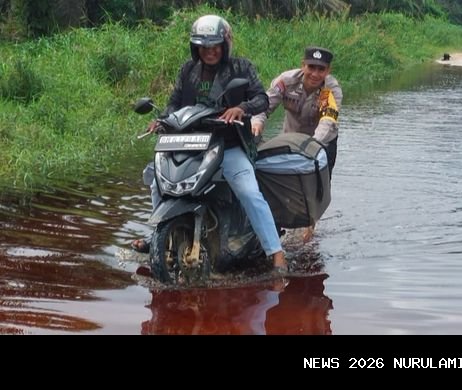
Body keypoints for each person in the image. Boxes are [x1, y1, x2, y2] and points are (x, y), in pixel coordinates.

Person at [132, 14, 287, 273]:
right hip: (190, 144)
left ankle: (277, 254)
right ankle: (161, 233)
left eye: (215, 45)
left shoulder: (241, 68)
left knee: (249, 192)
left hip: (229, 144)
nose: (209, 51)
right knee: (158, 180)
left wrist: (241, 108)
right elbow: (174, 102)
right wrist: (161, 120)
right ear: (196, 48)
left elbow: (262, 98)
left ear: (225, 45)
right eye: (203, 47)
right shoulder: (187, 70)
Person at [250, 46, 342, 175]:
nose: (315, 74)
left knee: (319, 186)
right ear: (303, 65)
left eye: (321, 69)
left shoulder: (331, 90)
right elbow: (264, 105)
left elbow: (327, 123)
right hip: (290, 138)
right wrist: (257, 122)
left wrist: (311, 146)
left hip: (322, 143)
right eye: (311, 67)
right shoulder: (286, 81)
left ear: (328, 71)